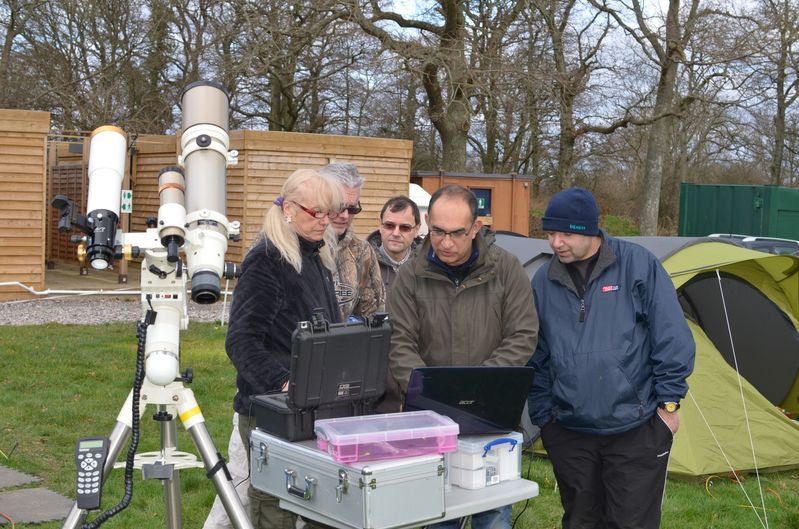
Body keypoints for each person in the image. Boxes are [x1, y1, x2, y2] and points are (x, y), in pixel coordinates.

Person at [526, 187, 696, 529]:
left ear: (591, 230)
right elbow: (537, 352)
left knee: (632, 523)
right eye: (550, 233)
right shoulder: (544, 279)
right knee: (580, 521)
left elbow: (671, 335)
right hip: (570, 430)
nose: (555, 243)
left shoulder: (636, 264)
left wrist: (669, 406)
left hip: (636, 428)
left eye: (566, 234)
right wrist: (545, 417)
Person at [387, 184, 539, 529]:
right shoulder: (410, 276)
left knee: (493, 516)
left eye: (457, 233)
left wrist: (479, 388)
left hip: (491, 418)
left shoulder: (508, 270)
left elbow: (522, 335)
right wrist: (433, 395)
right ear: (427, 222)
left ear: (476, 227)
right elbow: (400, 342)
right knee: (437, 516)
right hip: (430, 419)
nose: (445, 242)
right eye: (438, 231)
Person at [223, 168, 342, 529]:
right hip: (273, 412)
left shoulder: (315, 257)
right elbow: (241, 341)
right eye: (315, 212)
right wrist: (284, 382)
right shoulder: (267, 260)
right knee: (275, 508)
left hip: (315, 409)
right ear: (288, 208)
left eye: (329, 213)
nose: (325, 221)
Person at [318, 163, 385, 318]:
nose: (345, 216)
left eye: (352, 209)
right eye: (338, 206)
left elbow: (373, 318)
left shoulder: (361, 252)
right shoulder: (288, 247)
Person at [366, 195, 422, 298]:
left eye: (405, 227)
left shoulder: (429, 267)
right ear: (380, 225)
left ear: (417, 230)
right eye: (389, 225)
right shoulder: (362, 263)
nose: (396, 233)